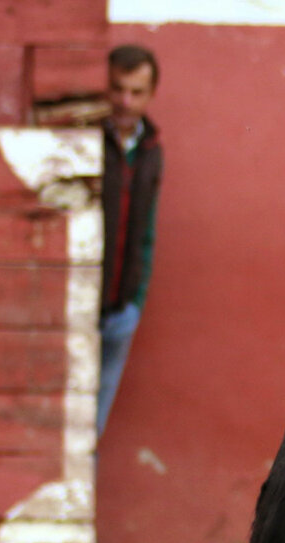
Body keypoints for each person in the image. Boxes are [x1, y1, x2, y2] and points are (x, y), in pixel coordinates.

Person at [98, 44, 163, 437]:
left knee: (94, 427)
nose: (125, 101)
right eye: (118, 89)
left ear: (150, 94)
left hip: (121, 311)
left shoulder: (153, 151)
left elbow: (147, 232)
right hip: (78, 307)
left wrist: (137, 299)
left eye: (136, 92)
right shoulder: (86, 137)